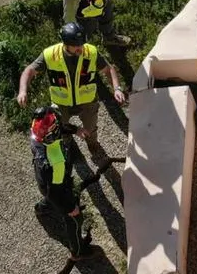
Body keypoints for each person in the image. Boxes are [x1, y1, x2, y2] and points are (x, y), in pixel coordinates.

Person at [17, 21, 127, 157]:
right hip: (61, 103)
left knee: (90, 129)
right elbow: (29, 70)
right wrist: (23, 91)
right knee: (60, 129)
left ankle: (92, 144)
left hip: (88, 102)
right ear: (65, 44)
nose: (81, 48)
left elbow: (108, 69)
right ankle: (67, 145)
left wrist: (117, 88)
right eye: (76, 46)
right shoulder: (50, 54)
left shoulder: (90, 52)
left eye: (82, 44)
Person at [30, 106, 100, 261]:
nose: (58, 125)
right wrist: (70, 208)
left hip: (45, 182)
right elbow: (55, 191)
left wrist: (75, 130)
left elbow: (59, 127)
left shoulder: (37, 132)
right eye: (55, 125)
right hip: (56, 185)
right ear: (51, 133)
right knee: (75, 220)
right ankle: (78, 251)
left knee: (49, 195)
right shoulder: (56, 162)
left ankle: (42, 209)